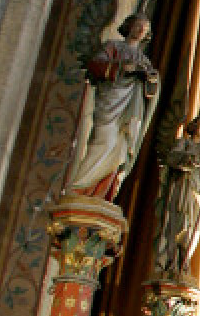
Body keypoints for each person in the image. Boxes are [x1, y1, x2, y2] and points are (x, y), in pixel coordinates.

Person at [65, 13, 159, 201]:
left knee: (119, 151)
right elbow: (95, 65)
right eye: (138, 26)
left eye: (145, 29)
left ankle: (99, 195)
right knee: (104, 141)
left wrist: (151, 79)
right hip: (110, 102)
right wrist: (121, 67)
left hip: (130, 110)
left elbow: (151, 90)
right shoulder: (113, 46)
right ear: (129, 26)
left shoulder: (143, 59)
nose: (140, 31)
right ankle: (78, 187)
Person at [153, 117, 200, 278]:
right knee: (177, 224)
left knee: (192, 228)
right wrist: (187, 161)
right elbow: (172, 157)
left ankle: (183, 262)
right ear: (194, 126)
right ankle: (170, 262)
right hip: (182, 188)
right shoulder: (183, 143)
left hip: (196, 194)